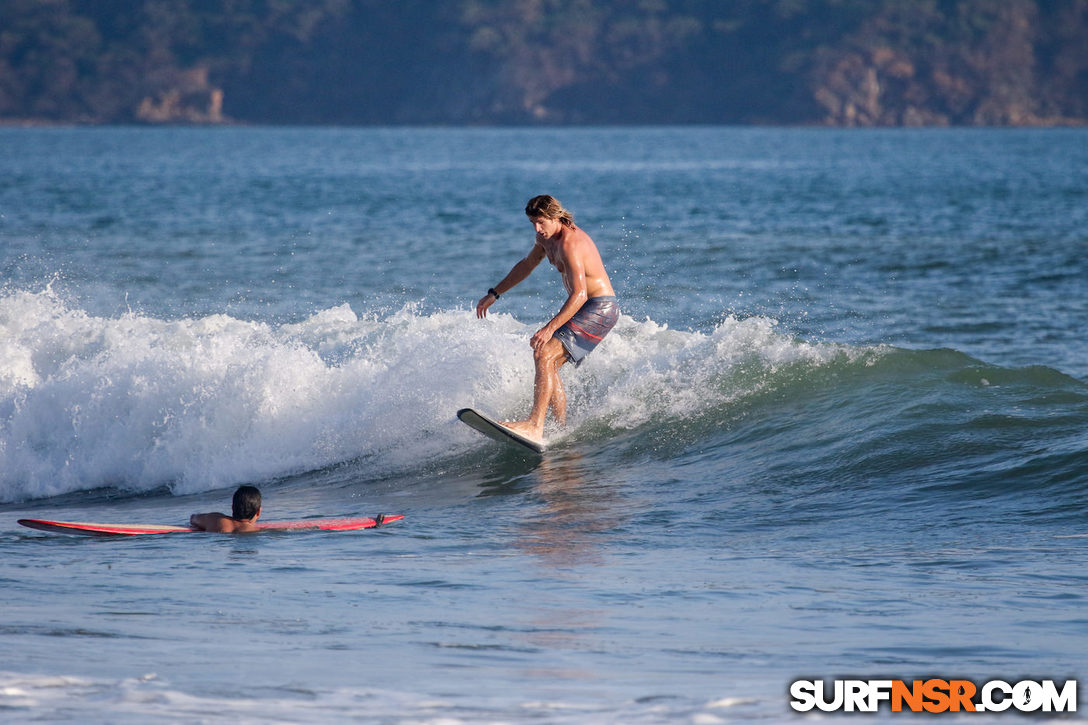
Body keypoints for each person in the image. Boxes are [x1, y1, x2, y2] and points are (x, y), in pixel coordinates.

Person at [476, 195, 619, 444]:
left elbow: (580, 293)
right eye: (532, 223)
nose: (537, 229)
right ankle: (558, 429)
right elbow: (527, 264)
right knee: (547, 360)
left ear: (555, 217)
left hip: (599, 307)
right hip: (587, 306)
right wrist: (495, 293)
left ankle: (534, 425)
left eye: (541, 222)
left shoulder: (571, 244)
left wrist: (548, 328)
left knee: (544, 352)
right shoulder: (545, 240)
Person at [189, 485, 262, 533]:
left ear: (232, 507)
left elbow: (193, 518)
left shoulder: (214, 519)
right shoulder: (255, 531)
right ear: (258, 512)